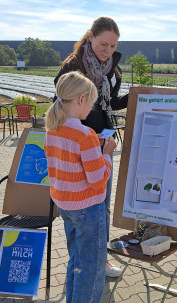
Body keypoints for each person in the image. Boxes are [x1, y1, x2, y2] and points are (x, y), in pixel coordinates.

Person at [54, 16, 128, 277]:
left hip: (102, 138)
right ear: (91, 38)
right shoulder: (73, 66)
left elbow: (112, 103)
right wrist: (86, 134)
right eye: (103, 43)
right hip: (81, 140)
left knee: (102, 202)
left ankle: (99, 258)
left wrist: (136, 96)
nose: (107, 50)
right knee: (82, 205)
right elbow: (62, 104)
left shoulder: (111, 68)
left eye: (113, 45)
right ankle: (82, 261)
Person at [45, 71, 117, 302]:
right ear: (81, 99)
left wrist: (92, 143)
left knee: (76, 260)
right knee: (92, 268)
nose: (92, 109)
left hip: (65, 205)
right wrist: (105, 154)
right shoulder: (84, 135)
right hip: (88, 208)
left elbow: (70, 156)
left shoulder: (53, 129)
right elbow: (98, 179)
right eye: (92, 102)